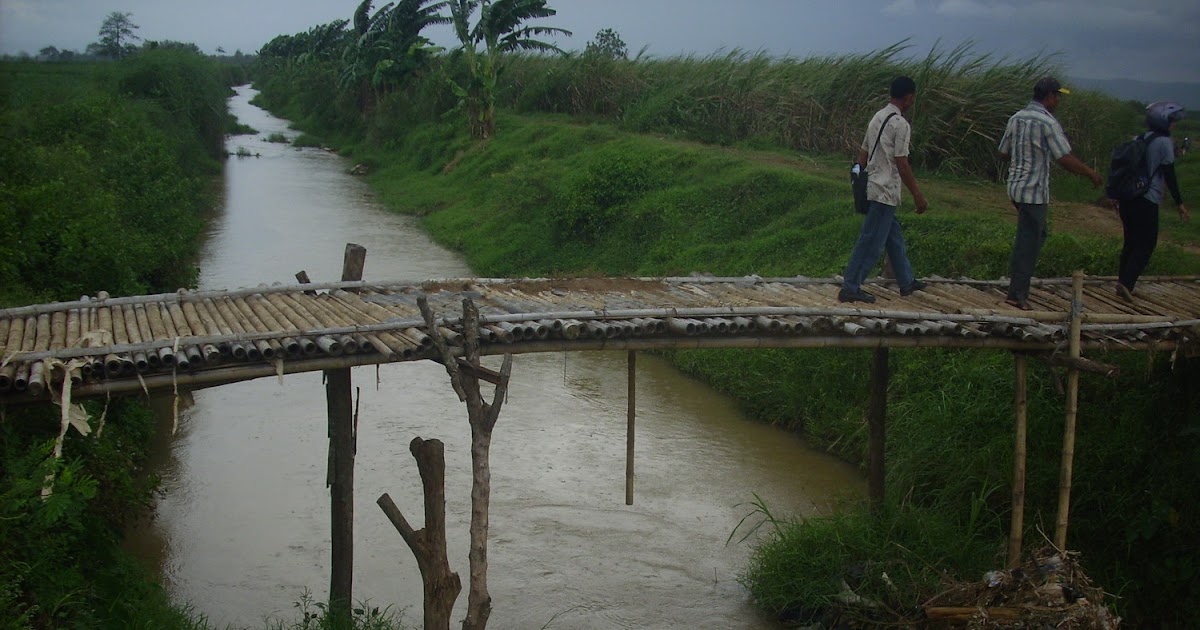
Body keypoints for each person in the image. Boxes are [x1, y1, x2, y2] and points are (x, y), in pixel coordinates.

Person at [996, 77, 1103, 310]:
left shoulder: (1016, 118)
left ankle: (1019, 281)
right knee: (1029, 240)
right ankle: (1016, 294)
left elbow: (1003, 153)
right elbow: (1063, 158)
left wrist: (1022, 153)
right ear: (1050, 96)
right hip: (1033, 191)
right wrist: (1090, 173)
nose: (1059, 101)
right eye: (1058, 96)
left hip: (1015, 187)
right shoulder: (1047, 122)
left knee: (1037, 234)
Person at [838, 75, 928, 304]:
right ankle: (850, 286)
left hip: (873, 186)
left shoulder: (877, 117)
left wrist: (859, 179)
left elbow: (863, 154)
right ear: (908, 97)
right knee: (871, 242)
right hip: (886, 191)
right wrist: (917, 195)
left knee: (893, 237)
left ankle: (906, 281)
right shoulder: (900, 124)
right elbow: (902, 162)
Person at [1114, 102, 1190, 301]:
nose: (1174, 125)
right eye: (1172, 121)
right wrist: (1179, 203)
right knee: (1147, 243)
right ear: (1165, 122)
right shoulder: (1164, 142)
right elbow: (1170, 174)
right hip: (1147, 198)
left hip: (1129, 197)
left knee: (1130, 241)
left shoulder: (1141, 138)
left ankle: (1122, 282)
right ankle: (1127, 284)